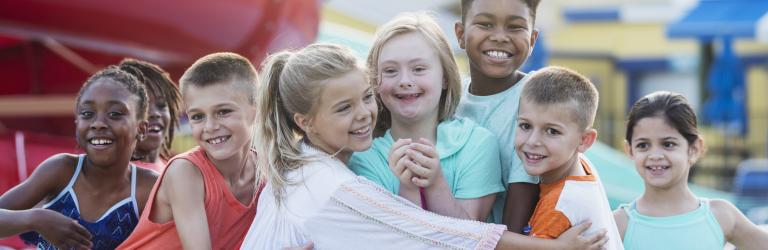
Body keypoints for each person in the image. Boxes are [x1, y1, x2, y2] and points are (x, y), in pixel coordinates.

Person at [240, 43, 607, 250]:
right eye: (343, 108)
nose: (365, 114)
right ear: (303, 120)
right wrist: (556, 249)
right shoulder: (334, 187)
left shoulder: (301, 165)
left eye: (367, 97)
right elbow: (429, 233)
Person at [349, 12, 503, 221]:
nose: (404, 80)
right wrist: (408, 188)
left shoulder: (477, 144)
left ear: (446, 77)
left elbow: (468, 238)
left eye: (419, 69)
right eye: (391, 70)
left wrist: (435, 183)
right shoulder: (364, 157)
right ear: (375, 83)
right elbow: (389, 238)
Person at [0, 66, 158, 249]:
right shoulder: (62, 170)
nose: (98, 123)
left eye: (114, 113)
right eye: (87, 114)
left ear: (141, 129)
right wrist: (35, 219)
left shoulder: (149, 188)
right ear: (77, 124)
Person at [118, 52, 262, 249]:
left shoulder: (265, 173)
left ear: (258, 109)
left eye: (223, 112)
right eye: (197, 117)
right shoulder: (185, 172)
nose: (210, 126)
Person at [614, 91, 768, 250]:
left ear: (694, 149)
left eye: (668, 144)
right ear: (630, 150)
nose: (655, 155)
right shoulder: (618, 224)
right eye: (643, 145)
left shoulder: (720, 216)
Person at [453, 0, 541, 230]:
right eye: (485, 24)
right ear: (460, 34)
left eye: (515, 27)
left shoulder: (538, 99)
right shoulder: (450, 99)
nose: (500, 36)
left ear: (532, 40)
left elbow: (515, 227)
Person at [514, 66, 623, 249]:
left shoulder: (561, 204)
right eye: (525, 126)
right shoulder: (583, 166)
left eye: (552, 131)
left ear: (584, 141)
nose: (533, 141)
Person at [118, 58, 182, 172]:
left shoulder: (176, 168)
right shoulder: (115, 177)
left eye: (161, 105)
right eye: (142, 106)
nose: (155, 113)